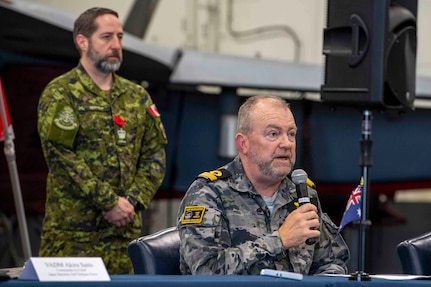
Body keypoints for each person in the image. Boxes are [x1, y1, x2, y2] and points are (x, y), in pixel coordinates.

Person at [37, 7, 167, 274]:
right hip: (74, 240)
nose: (116, 45)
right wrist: (108, 202)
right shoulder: (61, 92)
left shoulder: (136, 96)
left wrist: (131, 201)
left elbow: (154, 156)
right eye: (106, 37)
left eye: (119, 37)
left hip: (124, 240)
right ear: (82, 42)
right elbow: (61, 157)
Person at [177, 95, 349, 275]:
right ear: (244, 144)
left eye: (291, 134)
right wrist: (280, 240)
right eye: (273, 134)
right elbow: (206, 271)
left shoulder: (302, 193)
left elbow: (332, 262)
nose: (286, 144)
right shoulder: (208, 193)